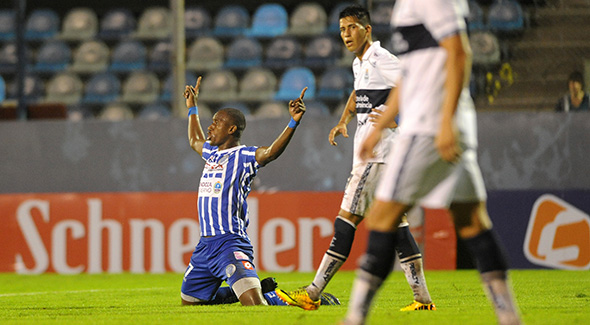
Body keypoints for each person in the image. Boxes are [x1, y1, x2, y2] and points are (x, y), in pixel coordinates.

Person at [342, 0, 521, 324]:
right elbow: (411, 74)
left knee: (382, 217)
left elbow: (460, 52)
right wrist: (377, 128)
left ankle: (354, 318)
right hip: (442, 124)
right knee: (472, 222)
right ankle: (510, 317)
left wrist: (444, 121)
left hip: (429, 126)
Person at [277, 5, 435, 312]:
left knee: (346, 218)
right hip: (386, 157)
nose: (346, 35)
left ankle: (312, 292)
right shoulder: (360, 64)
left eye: (351, 27)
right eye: (342, 30)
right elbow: (357, 94)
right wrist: (343, 121)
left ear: (367, 29)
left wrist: (397, 118)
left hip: (376, 157)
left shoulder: (380, 58)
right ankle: (423, 299)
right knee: (398, 225)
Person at [180, 77, 339, 307]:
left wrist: (293, 122)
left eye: (216, 122)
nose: (210, 126)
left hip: (229, 244)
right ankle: (242, 290)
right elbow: (194, 139)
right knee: (191, 303)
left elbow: (271, 152)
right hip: (205, 247)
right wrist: (192, 107)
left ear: (231, 129)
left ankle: (288, 297)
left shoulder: (243, 156)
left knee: (255, 306)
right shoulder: (211, 154)